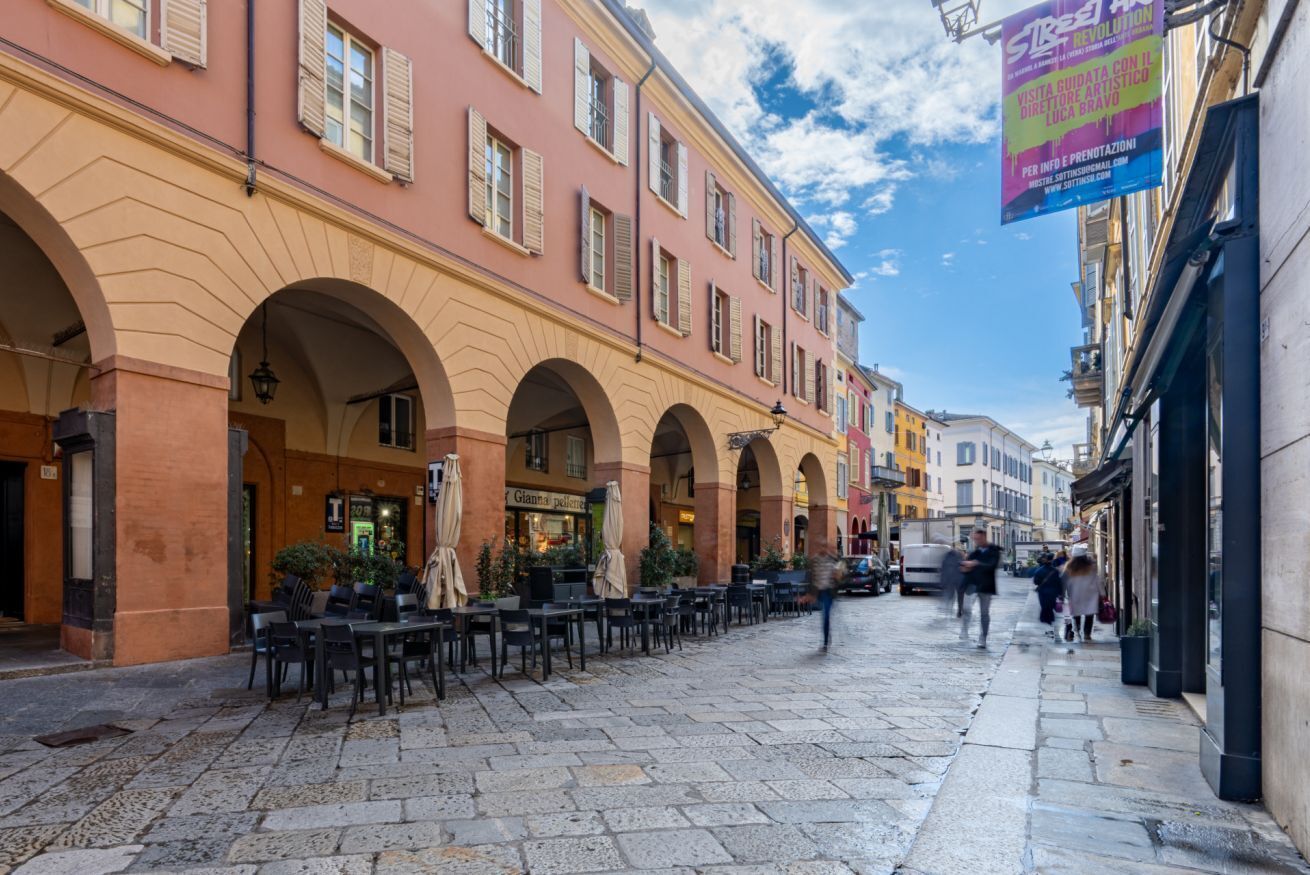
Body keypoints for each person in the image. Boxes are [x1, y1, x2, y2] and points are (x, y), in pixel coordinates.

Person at [959, 529, 1000, 648]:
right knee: (966, 608)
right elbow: (966, 567)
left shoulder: (994, 551)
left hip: (986, 586)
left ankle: (983, 637)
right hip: (972, 585)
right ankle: (964, 629)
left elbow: (992, 566)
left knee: (984, 613)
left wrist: (976, 564)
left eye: (978, 539)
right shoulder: (974, 552)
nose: (976, 541)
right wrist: (964, 569)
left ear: (984, 536)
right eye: (974, 539)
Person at [1062, 554, 1101, 641]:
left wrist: (1062, 594)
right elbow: (1096, 580)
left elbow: (1063, 580)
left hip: (1074, 594)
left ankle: (1077, 630)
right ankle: (1087, 634)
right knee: (1089, 615)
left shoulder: (1069, 566)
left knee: (1076, 614)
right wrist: (1101, 593)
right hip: (1089, 594)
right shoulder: (1090, 566)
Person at [1032, 552, 1063, 635]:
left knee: (1045, 607)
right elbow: (1059, 583)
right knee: (1050, 607)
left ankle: (1047, 625)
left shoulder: (1039, 570)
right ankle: (1049, 624)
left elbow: (1035, 582)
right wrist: (1061, 594)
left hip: (1043, 592)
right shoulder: (1055, 571)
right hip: (1053, 592)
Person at [940, 548, 965, 618]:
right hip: (958, 580)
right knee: (959, 596)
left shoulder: (946, 557)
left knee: (951, 596)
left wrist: (943, 581)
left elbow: (943, 570)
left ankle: (952, 610)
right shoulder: (960, 557)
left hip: (951, 580)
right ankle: (959, 610)